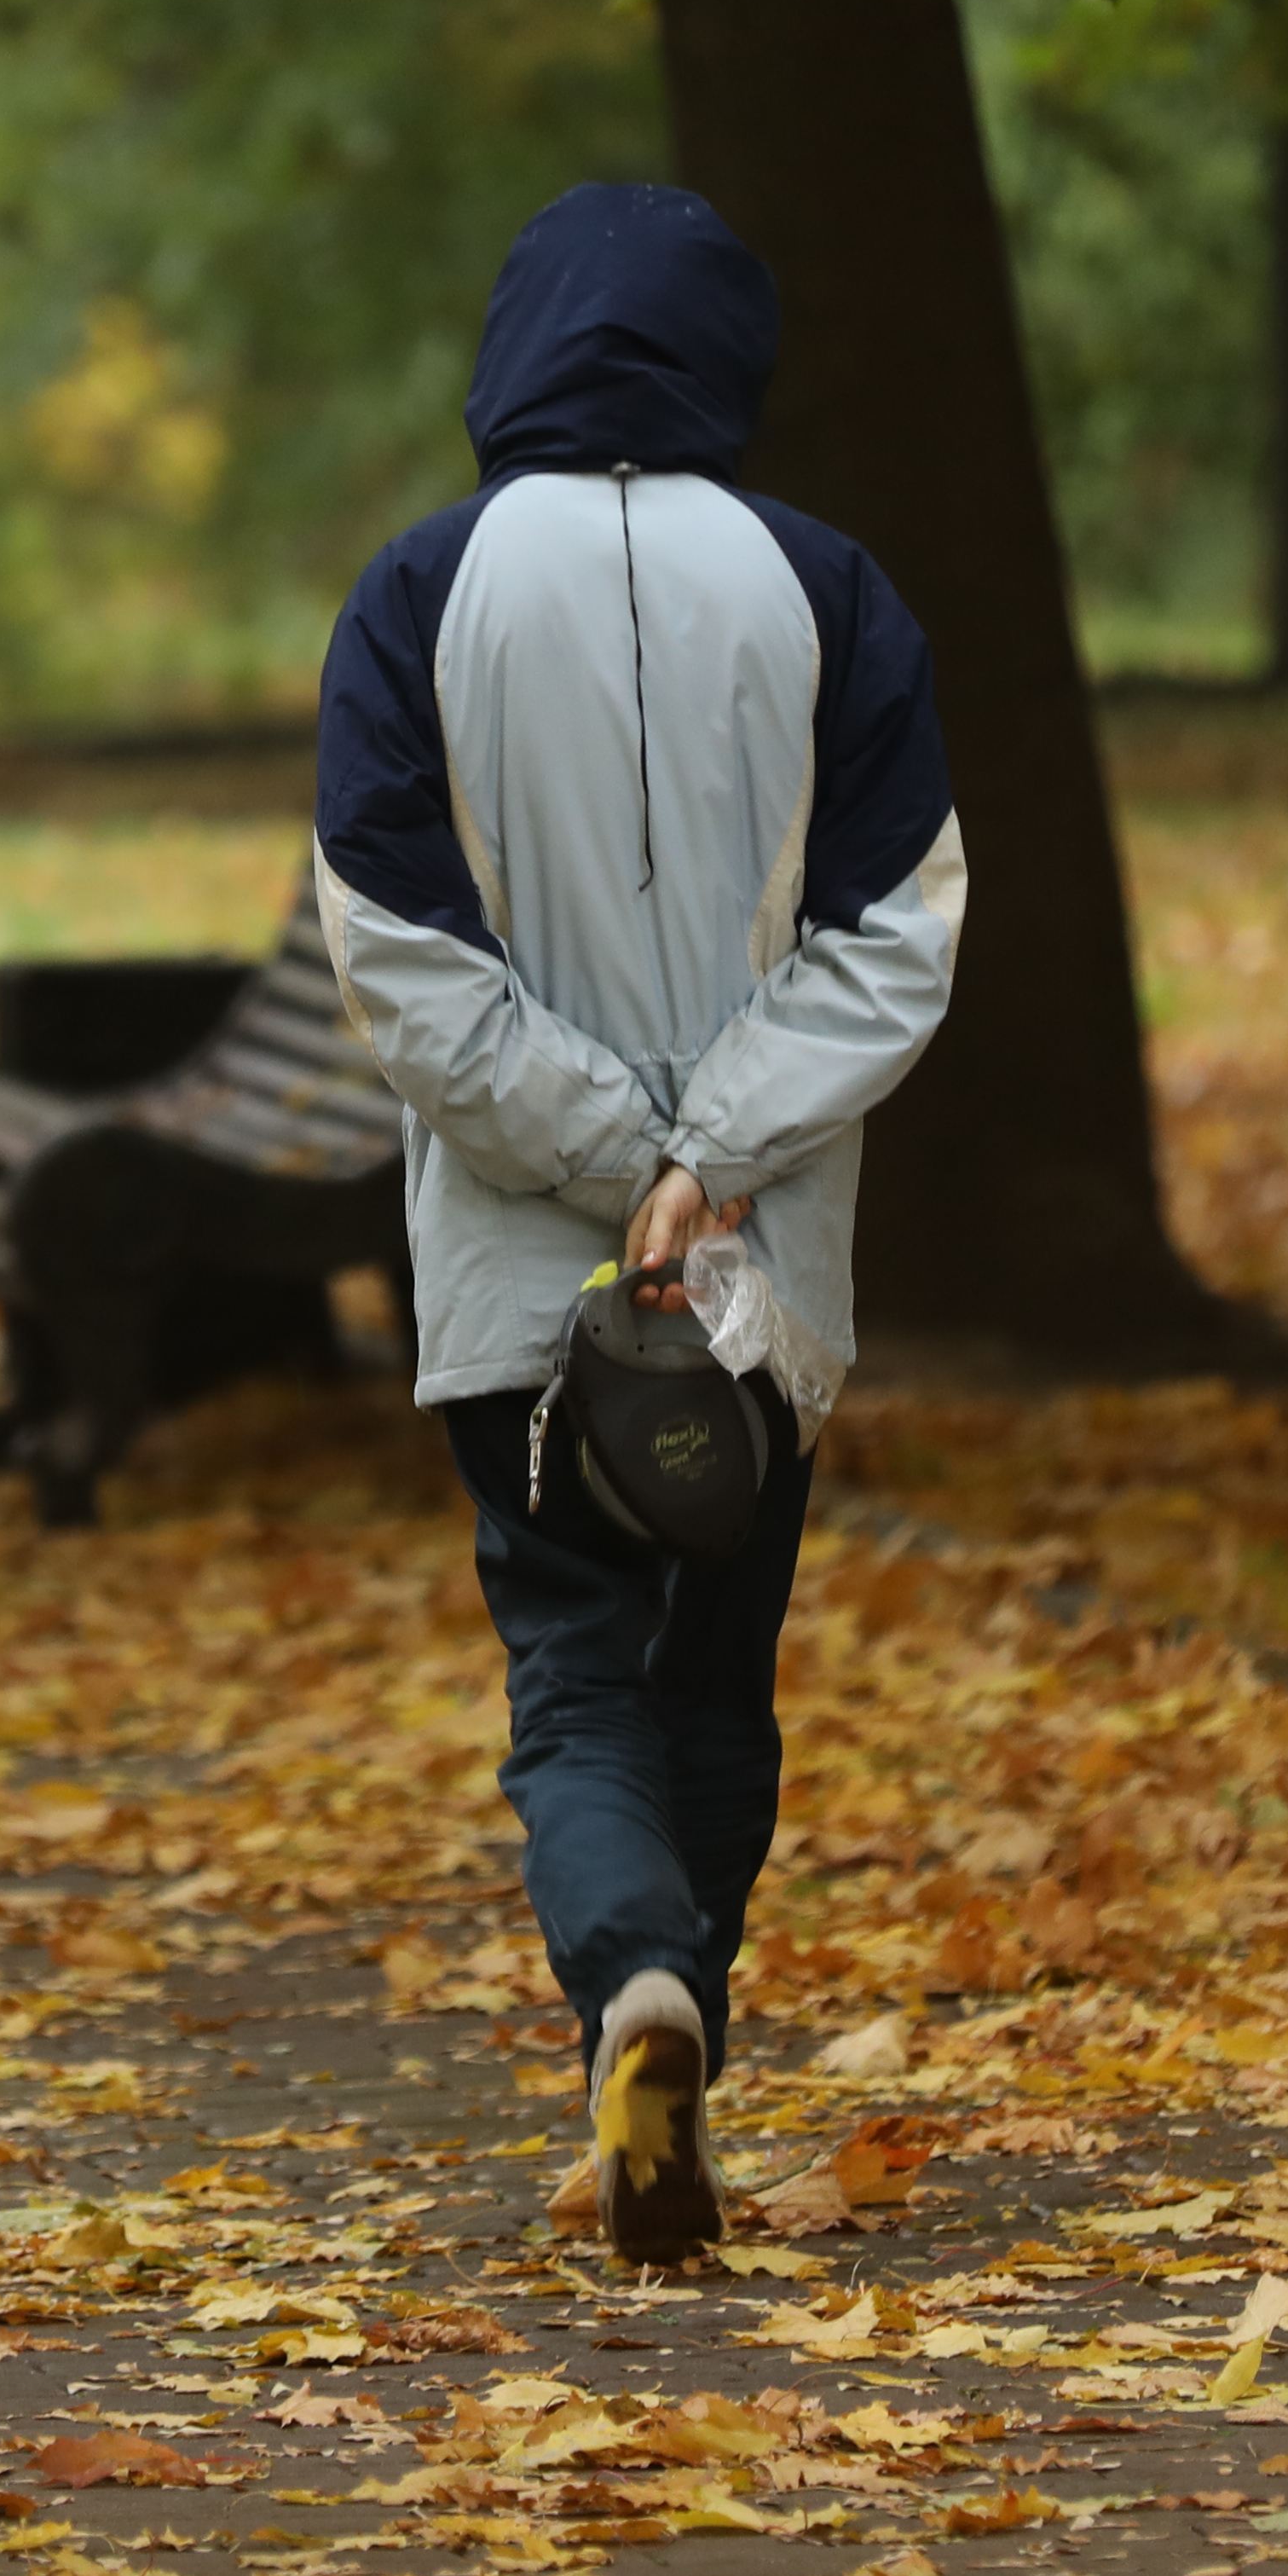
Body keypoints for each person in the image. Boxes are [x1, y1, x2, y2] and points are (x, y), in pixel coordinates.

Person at [309, 182, 966, 2266]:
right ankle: (686, 2030)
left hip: (525, 1269)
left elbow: (397, 955)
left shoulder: (420, 590)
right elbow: (898, 936)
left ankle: (634, 1988)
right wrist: (707, 1156)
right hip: (758, 1279)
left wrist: (612, 1159)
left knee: (575, 1673)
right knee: (719, 1679)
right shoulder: (827, 587)